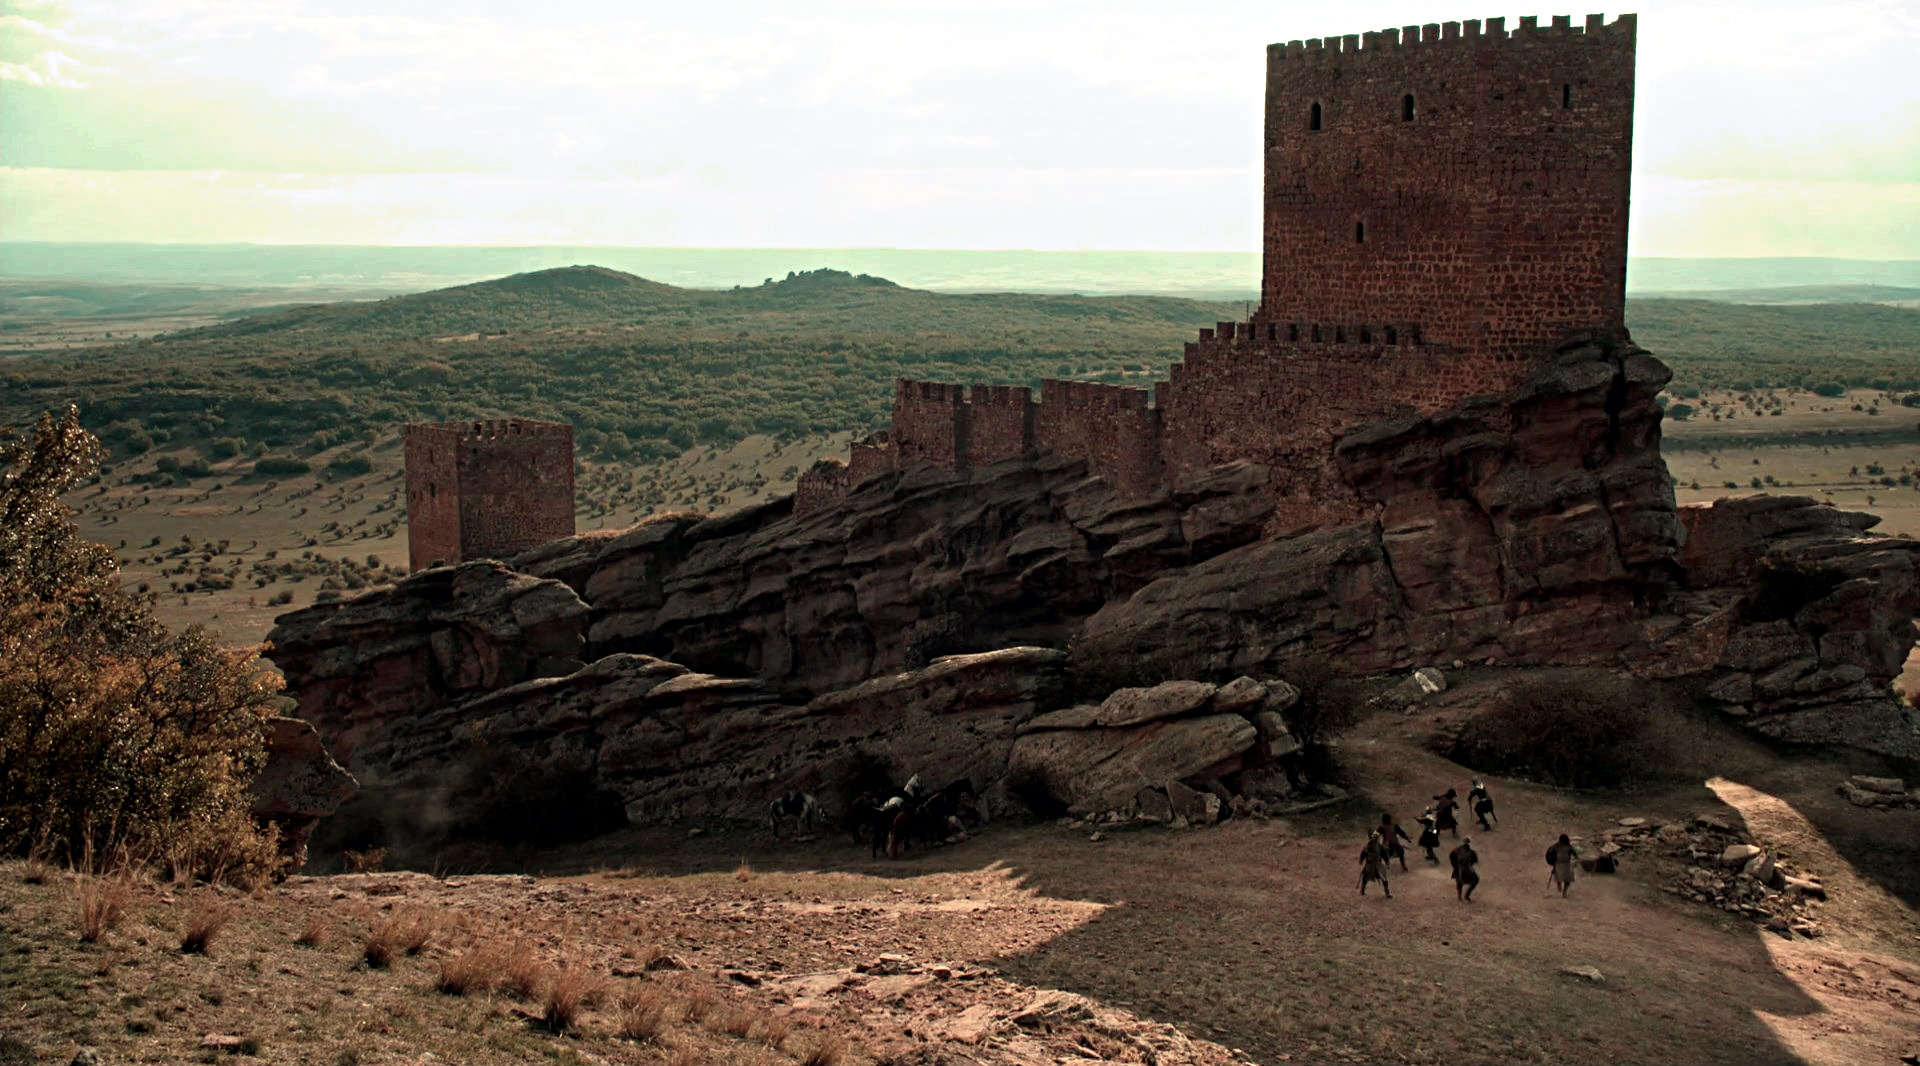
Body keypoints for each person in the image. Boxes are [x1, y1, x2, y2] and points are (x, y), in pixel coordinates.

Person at [1360, 831, 1393, 898]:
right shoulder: (1368, 846)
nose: (1376, 839)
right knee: (1365, 877)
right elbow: (1363, 853)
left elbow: (1384, 855)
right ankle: (1362, 890)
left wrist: (1387, 862)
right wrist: (1361, 860)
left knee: (1384, 878)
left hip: (1377, 864)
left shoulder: (1379, 846)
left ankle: (1387, 892)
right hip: (1370, 865)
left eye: (1376, 837)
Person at [1449, 837, 1480, 902]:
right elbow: (1475, 860)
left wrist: (1455, 865)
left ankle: (1461, 896)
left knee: (1459, 881)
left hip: (1459, 867)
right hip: (1464, 867)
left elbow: (1451, 856)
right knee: (1475, 880)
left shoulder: (1458, 849)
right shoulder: (1470, 852)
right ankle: (1465, 896)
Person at [1547, 833, 1578, 897]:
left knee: (1560, 877)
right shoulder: (1568, 846)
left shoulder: (1557, 846)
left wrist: (1552, 860)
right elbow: (1575, 854)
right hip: (1566, 864)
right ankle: (1564, 891)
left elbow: (1550, 851)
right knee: (1567, 879)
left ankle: (1561, 886)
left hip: (1560, 864)